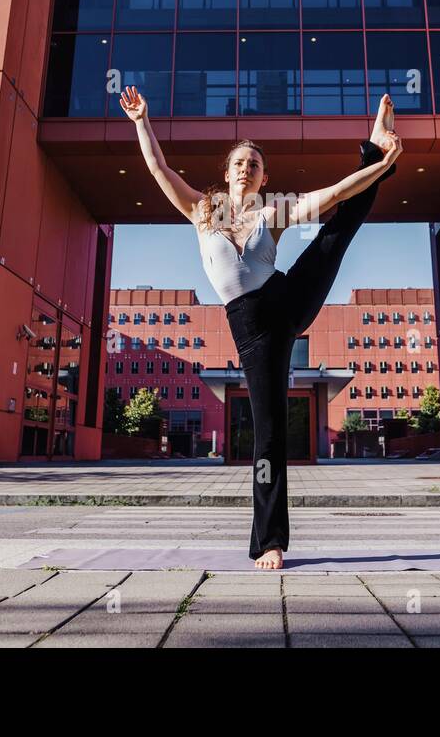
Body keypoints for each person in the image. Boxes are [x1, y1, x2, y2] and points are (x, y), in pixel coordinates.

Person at [119, 85, 402, 569]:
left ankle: (373, 144)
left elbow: (334, 194)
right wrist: (142, 121)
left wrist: (378, 165)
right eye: (238, 163)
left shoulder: (274, 211)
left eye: (254, 164)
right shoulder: (200, 211)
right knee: (267, 432)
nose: (245, 169)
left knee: (337, 231)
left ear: (263, 176)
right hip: (252, 331)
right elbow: (158, 170)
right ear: (226, 173)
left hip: (287, 298)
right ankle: (268, 541)